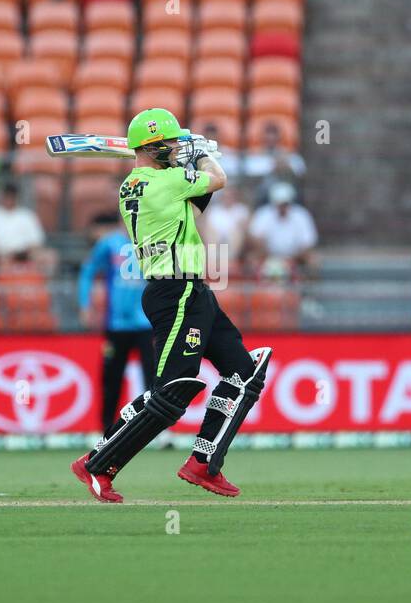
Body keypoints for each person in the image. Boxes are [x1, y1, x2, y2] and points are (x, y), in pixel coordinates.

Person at [70, 108, 272, 503]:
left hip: (191, 290)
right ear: (154, 146)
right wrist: (199, 153)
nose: (178, 146)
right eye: (173, 141)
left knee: (244, 373)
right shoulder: (165, 181)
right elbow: (219, 178)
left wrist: (190, 157)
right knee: (172, 392)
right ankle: (97, 463)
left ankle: (204, 462)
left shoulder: (137, 184)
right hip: (175, 290)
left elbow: (195, 207)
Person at [78, 213, 155, 430]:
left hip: (147, 323)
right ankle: (106, 430)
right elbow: (88, 271)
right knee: (111, 378)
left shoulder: (154, 242)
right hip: (117, 325)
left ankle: (155, 430)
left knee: (153, 379)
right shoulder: (109, 244)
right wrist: (85, 304)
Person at [246, 182, 317, 279]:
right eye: (279, 204)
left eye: (285, 204)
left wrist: (292, 259)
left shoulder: (301, 215)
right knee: (251, 260)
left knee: (313, 261)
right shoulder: (263, 214)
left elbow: (307, 243)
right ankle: (255, 292)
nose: (282, 207)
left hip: (296, 256)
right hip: (267, 255)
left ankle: (306, 291)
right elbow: (254, 238)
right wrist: (268, 255)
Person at [0, 182, 48, 269]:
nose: (9, 199)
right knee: (2, 260)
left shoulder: (27, 216)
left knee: (48, 257)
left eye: (12, 195)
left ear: (17, 197)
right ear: (1, 196)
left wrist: (20, 254)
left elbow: (36, 242)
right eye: (7, 195)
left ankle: (46, 282)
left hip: (23, 255)